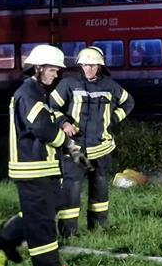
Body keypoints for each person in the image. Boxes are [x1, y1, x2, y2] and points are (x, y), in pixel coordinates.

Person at [0, 45, 85, 266]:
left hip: (43, 167)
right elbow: (41, 127)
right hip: (32, 168)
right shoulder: (28, 93)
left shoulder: (35, 92)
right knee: (42, 220)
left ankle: (5, 238)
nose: (56, 74)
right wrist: (67, 143)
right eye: (52, 70)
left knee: (47, 209)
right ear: (38, 68)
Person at [50, 46, 135, 237]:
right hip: (76, 148)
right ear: (80, 66)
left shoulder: (111, 85)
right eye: (85, 65)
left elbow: (129, 102)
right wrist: (64, 123)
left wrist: (113, 119)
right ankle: (68, 232)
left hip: (102, 147)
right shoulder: (68, 84)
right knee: (72, 188)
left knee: (100, 188)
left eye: (93, 65)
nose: (89, 69)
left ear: (99, 66)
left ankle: (98, 228)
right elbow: (52, 106)